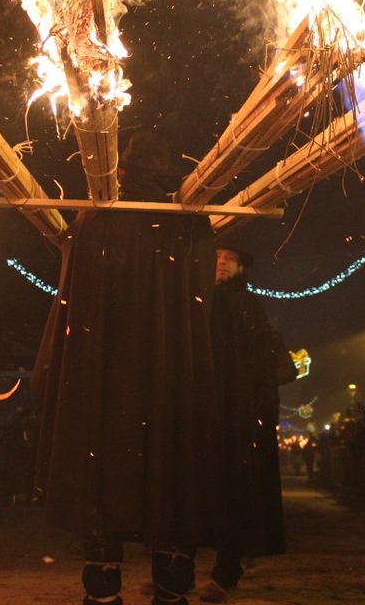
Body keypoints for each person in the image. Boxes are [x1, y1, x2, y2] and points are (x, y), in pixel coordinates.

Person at [34, 131, 221, 605]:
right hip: (170, 383)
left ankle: (102, 589)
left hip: (104, 381)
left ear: (120, 172)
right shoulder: (192, 226)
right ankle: (172, 585)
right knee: (171, 473)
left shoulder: (95, 223)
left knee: (104, 475)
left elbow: (73, 302)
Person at [198, 240, 296, 603]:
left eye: (230, 259)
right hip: (204, 411)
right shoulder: (194, 301)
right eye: (217, 257)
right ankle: (178, 567)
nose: (221, 263)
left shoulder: (246, 306)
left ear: (241, 268)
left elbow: (263, 363)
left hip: (238, 416)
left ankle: (227, 570)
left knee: (235, 491)